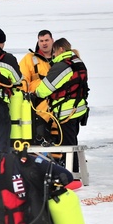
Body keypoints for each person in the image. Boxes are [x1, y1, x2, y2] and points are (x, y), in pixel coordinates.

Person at [32, 38, 89, 171]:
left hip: (66, 112)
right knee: (72, 142)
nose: (53, 55)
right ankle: (73, 171)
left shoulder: (62, 66)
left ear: (61, 49)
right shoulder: (78, 61)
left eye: (54, 52)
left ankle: (72, 174)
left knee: (68, 145)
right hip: (79, 110)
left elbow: (44, 89)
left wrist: (35, 94)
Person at [20, 30, 55, 144]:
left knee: (59, 134)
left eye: (46, 40)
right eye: (41, 41)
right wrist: (24, 96)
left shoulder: (59, 58)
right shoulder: (29, 59)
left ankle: (62, 159)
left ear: (52, 41)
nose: (44, 43)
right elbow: (22, 78)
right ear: (38, 42)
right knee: (40, 134)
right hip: (38, 104)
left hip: (58, 103)